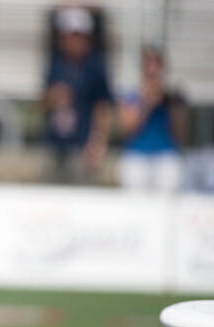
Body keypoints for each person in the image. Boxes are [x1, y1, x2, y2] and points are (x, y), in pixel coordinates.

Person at [43, 6, 113, 184]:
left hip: (82, 147)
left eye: (76, 35)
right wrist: (52, 97)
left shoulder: (95, 67)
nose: (71, 41)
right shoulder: (56, 64)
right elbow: (43, 103)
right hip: (55, 145)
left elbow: (102, 106)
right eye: (68, 35)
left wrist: (98, 141)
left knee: (81, 197)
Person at [117, 45, 187, 192]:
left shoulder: (170, 98)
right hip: (136, 155)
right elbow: (126, 129)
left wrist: (171, 105)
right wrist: (147, 103)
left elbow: (179, 133)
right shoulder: (131, 95)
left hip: (165, 154)